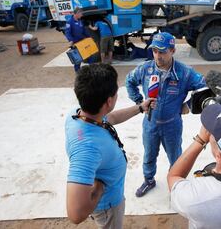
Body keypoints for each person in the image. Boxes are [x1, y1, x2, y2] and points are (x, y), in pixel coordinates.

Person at [65, 63, 154, 228]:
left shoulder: (78, 114)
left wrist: (140, 108)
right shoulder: (87, 148)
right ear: (109, 101)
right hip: (107, 208)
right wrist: (99, 188)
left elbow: (109, 118)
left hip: (110, 199)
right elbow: (75, 214)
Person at [125, 32, 206, 197]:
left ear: (173, 51)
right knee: (148, 155)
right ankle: (149, 180)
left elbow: (204, 86)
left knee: (175, 158)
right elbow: (129, 81)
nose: (158, 56)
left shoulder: (185, 73)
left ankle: (176, 185)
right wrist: (139, 102)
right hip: (150, 123)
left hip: (172, 125)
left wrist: (189, 104)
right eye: (155, 51)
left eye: (162, 52)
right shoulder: (146, 68)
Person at [64, 7, 92, 72]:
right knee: (78, 59)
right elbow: (67, 32)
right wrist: (71, 40)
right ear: (76, 13)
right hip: (75, 43)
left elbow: (84, 30)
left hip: (82, 42)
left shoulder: (80, 21)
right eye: (81, 14)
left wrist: (89, 37)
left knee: (89, 55)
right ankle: (78, 72)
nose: (82, 15)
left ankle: (91, 69)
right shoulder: (69, 22)